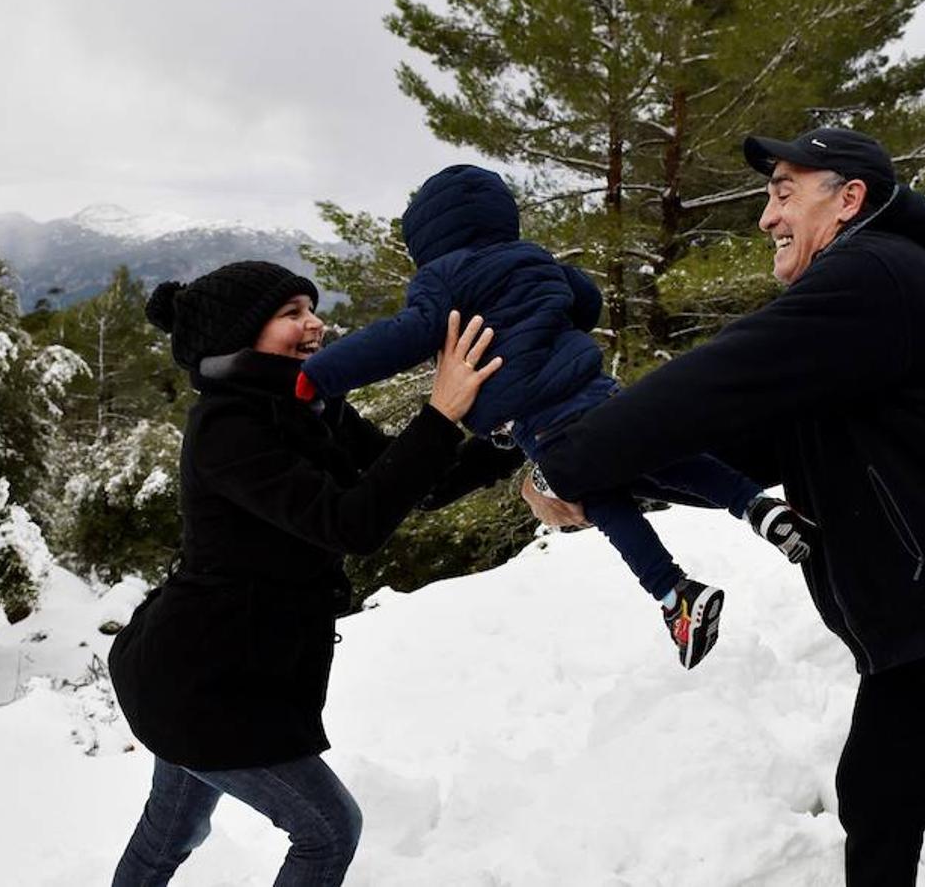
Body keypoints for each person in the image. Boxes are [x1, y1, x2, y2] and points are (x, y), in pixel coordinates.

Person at [531, 127, 925, 885]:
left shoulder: (876, 273)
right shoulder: (852, 325)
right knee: (875, 803)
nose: (765, 217)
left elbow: (715, 381)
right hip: (922, 623)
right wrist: (602, 487)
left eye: (782, 192)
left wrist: (565, 462)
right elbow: (742, 449)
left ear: (848, 200)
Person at [297, 163, 814, 670]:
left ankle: (673, 591)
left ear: (426, 237)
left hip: (546, 424)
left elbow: (401, 337)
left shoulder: (441, 278)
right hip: (601, 392)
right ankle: (758, 506)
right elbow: (584, 302)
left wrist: (320, 375)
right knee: (664, 458)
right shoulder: (531, 256)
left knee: (601, 497)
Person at [107, 260, 502, 887]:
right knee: (327, 831)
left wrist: (502, 440)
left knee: (171, 829)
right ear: (243, 333)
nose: (315, 323)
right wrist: (438, 414)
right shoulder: (227, 428)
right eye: (292, 313)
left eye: (310, 308)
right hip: (199, 682)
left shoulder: (309, 405)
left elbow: (418, 482)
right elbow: (352, 524)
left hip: (231, 672)